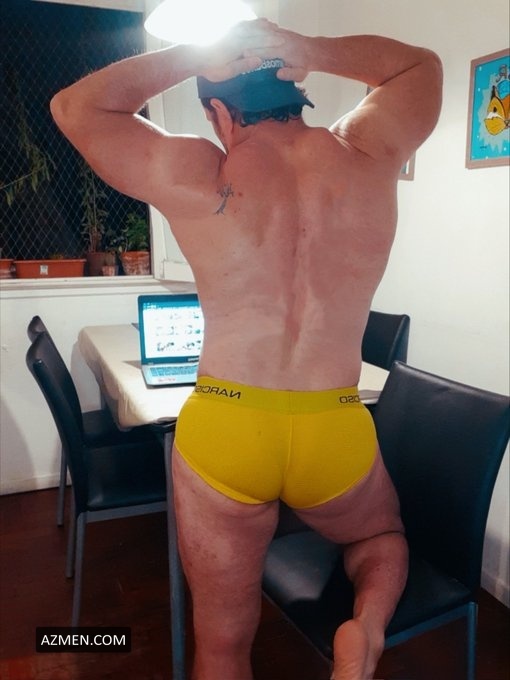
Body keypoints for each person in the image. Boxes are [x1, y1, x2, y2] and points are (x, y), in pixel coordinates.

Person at [51, 18, 442, 680]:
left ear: (217, 114)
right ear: (298, 91)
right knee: (380, 538)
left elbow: (75, 108)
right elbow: (421, 67)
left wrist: (195, 55)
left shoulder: (199, 173)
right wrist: (312, 47)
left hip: (228, 423)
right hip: (333, 422)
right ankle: (366, 631)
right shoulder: (368, 152)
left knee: (223, 645)